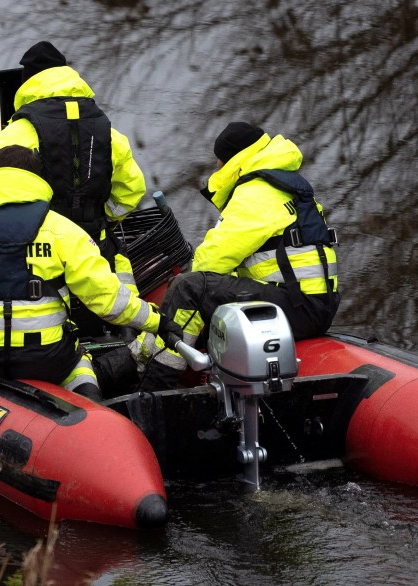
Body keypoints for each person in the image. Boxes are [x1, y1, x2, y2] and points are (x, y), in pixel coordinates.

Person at [0, 145, 182, 400]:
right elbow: (107, 300)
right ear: (37, 179)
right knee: (79, 359)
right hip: (49, 358)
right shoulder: (61, 230)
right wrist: (158, 322)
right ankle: (89, 407)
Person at [133, 122, 340, 392]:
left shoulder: (255, 193)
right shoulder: (286, 184)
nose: (216, 168)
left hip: (297, 309)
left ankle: (153, 387)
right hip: (316, 305)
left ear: (232, 160)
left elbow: (210, 261)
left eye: (218, 162)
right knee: (208, 288)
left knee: (190, 288)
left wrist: (190, 278)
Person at [0, 41, 146, 315]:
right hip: (96, 248)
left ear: (28, 83)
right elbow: (132, 190)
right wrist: (100, 216)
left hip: (41, 258)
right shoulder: (106, 130)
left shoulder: (17, 133)